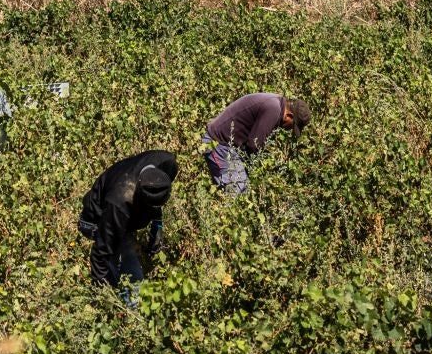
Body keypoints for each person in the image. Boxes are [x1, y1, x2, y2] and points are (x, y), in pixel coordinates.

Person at [79, 151, 178, 295]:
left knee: (126, 273)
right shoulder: (120, 201)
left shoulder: (167, 163)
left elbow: (156, 195)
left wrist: (157, 223)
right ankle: (127, 308)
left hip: (120, 212)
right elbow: (101, 250)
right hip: (96, 221)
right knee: (133, 283)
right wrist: (102, 293)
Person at [202, 92, 310, 194]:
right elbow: (254, 145)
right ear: (289, 116)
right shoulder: (274, 109)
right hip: (218, 144)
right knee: (236, 192)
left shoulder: (277, 103)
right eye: (292, 125)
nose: (289, 129)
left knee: (242, 189)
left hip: (229, 146)